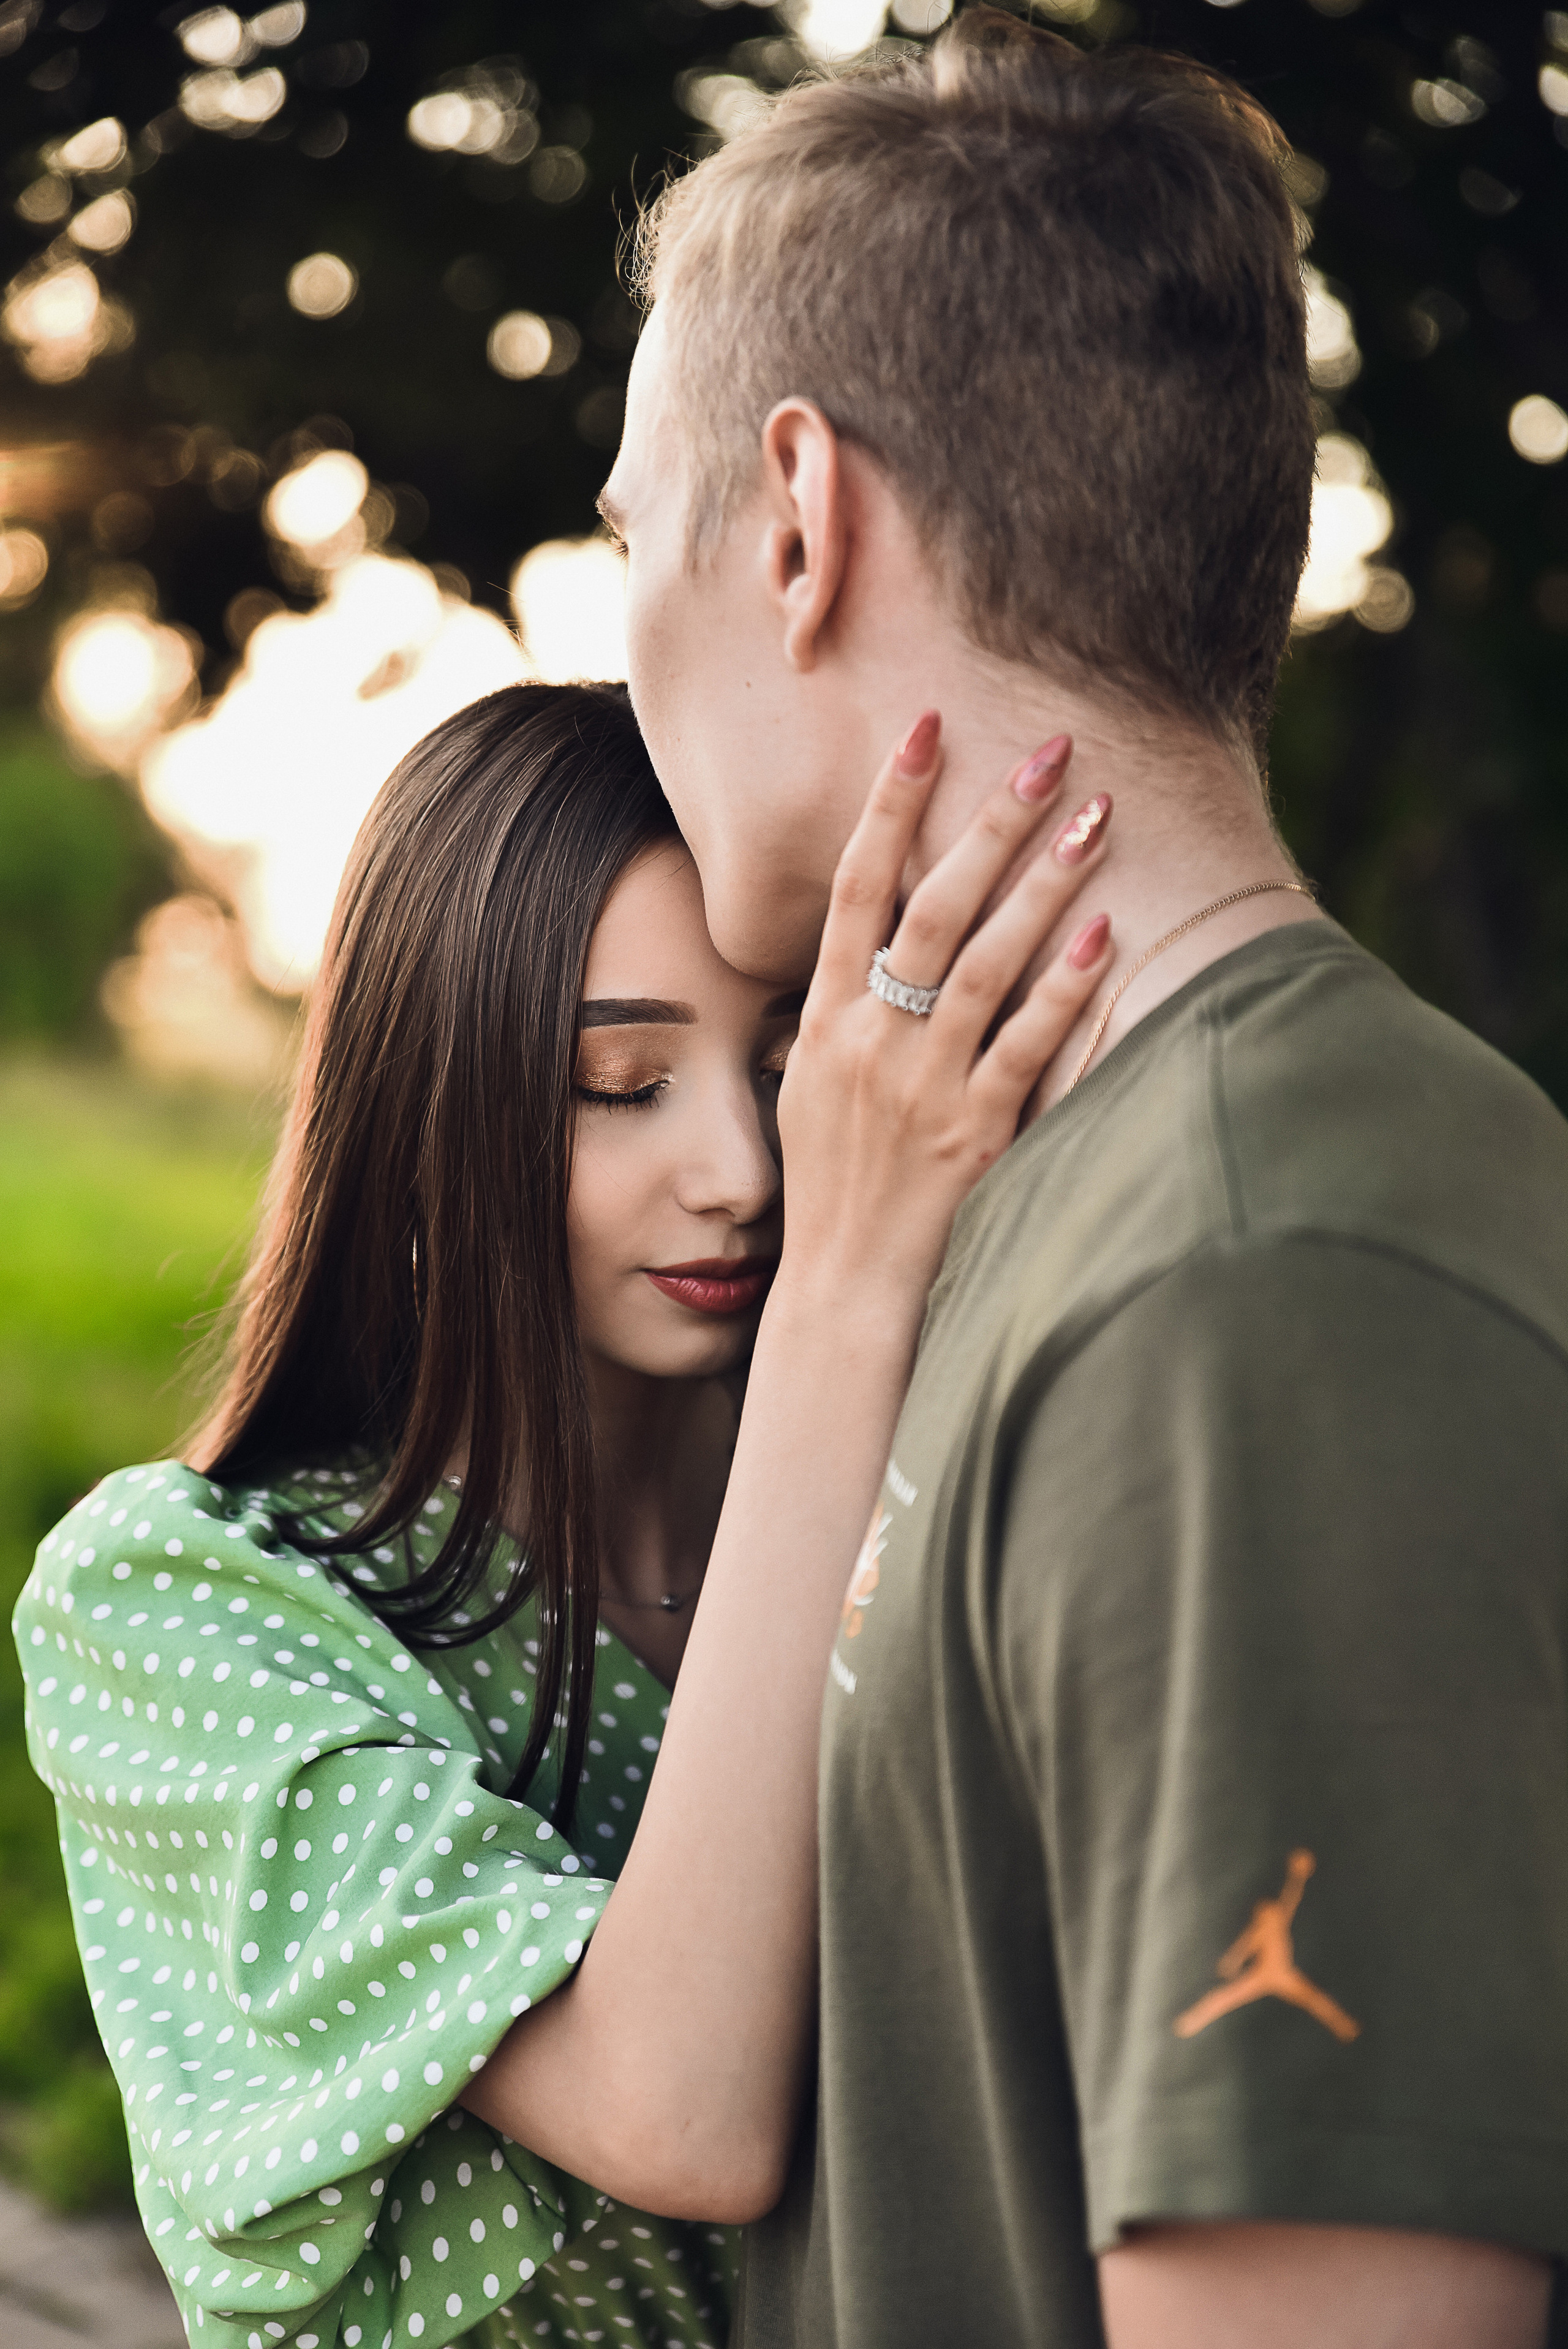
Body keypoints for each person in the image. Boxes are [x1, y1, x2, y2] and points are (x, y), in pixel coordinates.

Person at [594, 10, 1568, 2347]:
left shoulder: (1259, 1283)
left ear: (801, 522)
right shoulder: (1050, 1196)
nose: (616, 616)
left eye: (630, 529)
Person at [15, 679, 1115, 2349]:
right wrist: (847, 1291)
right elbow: (680, 2109)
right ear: (424, 1108)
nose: (743, 1169)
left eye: (791, 1074)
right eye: (623, 1080)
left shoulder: (932, 1513)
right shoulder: (179, 1601)